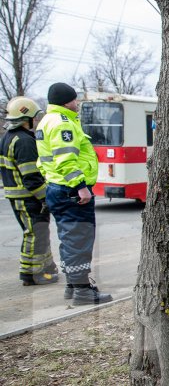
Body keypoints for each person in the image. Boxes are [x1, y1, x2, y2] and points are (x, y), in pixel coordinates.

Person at [35, 82, 112, 305]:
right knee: (79, 240)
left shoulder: (46, 121)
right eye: (75, 99)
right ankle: (83, 291)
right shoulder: (62, 123)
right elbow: (66, 159)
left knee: (68, 239)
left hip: (57, 188)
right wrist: (80, 186)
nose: (77, 103)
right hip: (71, 191)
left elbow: (43, 161)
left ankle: (73, 285)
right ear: (67, 101)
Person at [0, 97, 59, 286]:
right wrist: (46, 198)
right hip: (28, 197)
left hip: (17, 195)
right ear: (27, 119)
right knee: (35, 234)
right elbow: (31, 177)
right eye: (35, 116)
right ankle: (32, 274)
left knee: (37, 233)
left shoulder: (7, 138)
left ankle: (44, 268)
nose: (37, 120)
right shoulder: (24, 141)